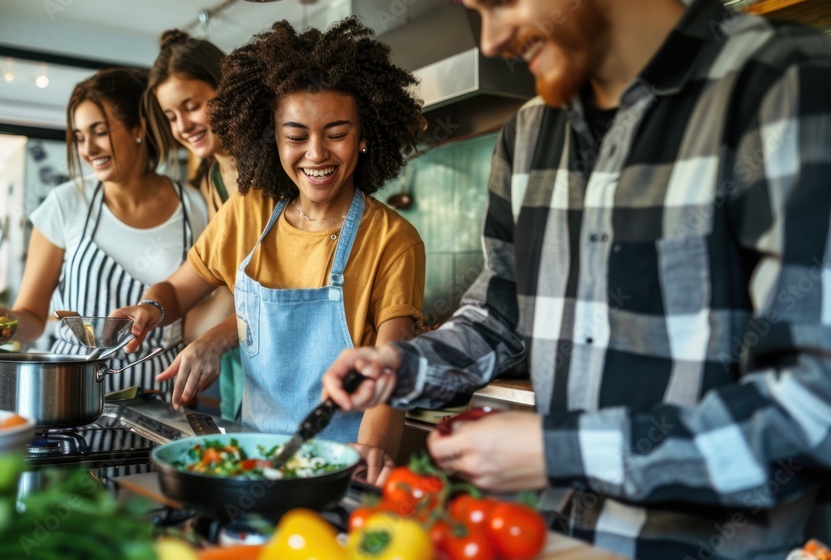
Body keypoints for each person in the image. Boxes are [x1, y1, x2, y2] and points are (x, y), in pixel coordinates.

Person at [322, 0, 831, 557]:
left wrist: (559, 450)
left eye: (500, 4)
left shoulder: (786, 85)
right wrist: (402, 366)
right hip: (556, 540)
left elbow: (813, 406)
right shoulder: (529, 135)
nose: (491, 41)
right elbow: (498, 316)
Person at [113, 18, 426, 485]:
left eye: (336, 133)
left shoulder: (393, 240)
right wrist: (150, 307)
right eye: (296, 136)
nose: (316, 153)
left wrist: (369, 453)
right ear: (272, 139)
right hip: (252, 463)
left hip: (340, 470)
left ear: (364, 136)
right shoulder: (248, 212)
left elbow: (391, 372)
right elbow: (178, 290)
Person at [0, 67, 208, 393]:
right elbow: (32, 320)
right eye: (80, 137)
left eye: (99, 131)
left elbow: (199, 311)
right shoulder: (65, 203)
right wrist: (6, 323)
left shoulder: (196, 207)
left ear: (139, 127)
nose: (88, 149)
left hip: (160, 394)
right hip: (70, 392)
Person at [142, 29, 245, 422]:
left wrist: (214, 336)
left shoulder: (278, 169)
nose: (183, 124)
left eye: (192, 106)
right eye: (171, 116)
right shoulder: (208, 182)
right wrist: (149, 307)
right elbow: (205, 275)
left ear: (228, 90)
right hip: (242, 358)